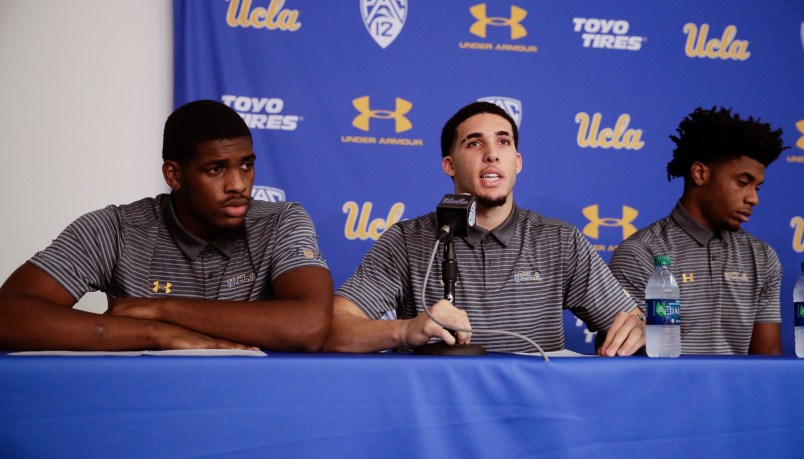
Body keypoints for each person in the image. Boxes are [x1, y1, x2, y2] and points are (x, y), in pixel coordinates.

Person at [0, 100, 333, 351]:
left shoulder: (280, 221)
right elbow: (9, 314)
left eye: (246, 165)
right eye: (216, 169)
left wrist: (158, 308)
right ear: (174, 175)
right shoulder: (116, 229)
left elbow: (309, 326)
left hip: (255, 407)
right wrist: (155, 333)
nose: (238, 184)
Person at [325, 101, 644, 356]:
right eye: (474, 143)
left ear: (517, 162)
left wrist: (638, 330)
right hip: (437, 420)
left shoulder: (561, 241)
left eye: (503, 142)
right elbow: (334, 327)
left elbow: (631, 321)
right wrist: (406, 331)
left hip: (534, 417)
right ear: (449, 165)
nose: (491, 154)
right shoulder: (408, 240)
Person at [609, 106, 787, 354]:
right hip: (667, 393)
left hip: (742, 394)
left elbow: (768, 365)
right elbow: (625, 358)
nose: (753, 198)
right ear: (700, 174)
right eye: (743, 183)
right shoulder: (640, 253)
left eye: (757, 187)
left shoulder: (762, 257)